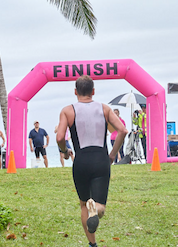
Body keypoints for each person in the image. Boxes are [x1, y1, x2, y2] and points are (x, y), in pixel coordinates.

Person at [56, 75, 126, 247]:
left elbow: (59, 137)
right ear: (93, 91)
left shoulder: (67, 111)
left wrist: (64, 151)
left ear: (75, 92)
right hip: (101, 160)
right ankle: (97, 210)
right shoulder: (104, 108)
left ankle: (92, 244)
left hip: (81, 161)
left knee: (83, 204)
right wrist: (112, 154)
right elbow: (123, 130)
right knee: (98, 205)